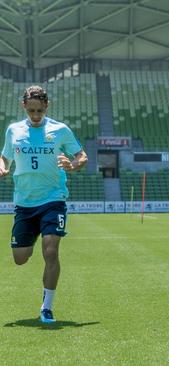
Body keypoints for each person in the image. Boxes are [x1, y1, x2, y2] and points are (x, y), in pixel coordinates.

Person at [0, 85, 88, 323]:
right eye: (31, 111)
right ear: (24, 107)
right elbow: (4, 155)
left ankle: (47, 307)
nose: (36, 116)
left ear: (47, 106)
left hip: (53, 198)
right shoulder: (13, 130)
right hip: (24, 201)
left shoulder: (60, 130)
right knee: (20, 257)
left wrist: (73, 165)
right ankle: (35, 232)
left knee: (51, 251)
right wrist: (2, 165)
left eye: (40, 110)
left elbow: (82, 156)